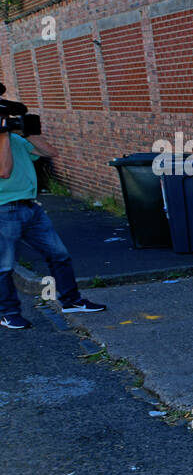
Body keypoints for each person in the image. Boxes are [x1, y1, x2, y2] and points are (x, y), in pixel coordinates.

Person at [0, 131, 105, 330]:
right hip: (3, 209)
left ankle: (71, 301)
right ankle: (8, 313)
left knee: (59, 254)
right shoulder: (5, 139)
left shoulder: (16, 139)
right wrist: (3, 136)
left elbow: (50, 153)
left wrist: (29, 131)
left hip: (31, 207)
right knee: (4, 266)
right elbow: (4, 171)